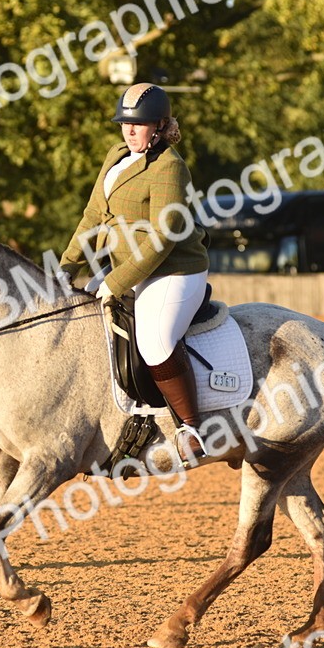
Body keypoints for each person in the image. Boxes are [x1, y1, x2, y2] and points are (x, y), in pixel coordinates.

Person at [57, 82, 210, 463]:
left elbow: (163, 238)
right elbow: (93, 217)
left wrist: (116, 281)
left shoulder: (170, 167)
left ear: (159, 125)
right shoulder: (116, 155)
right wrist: (66, 267)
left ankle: (191, 428)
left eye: (138, 125)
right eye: (124, 124)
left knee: (155, 340)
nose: (129, 131)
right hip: (128, 266)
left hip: (174, 270)